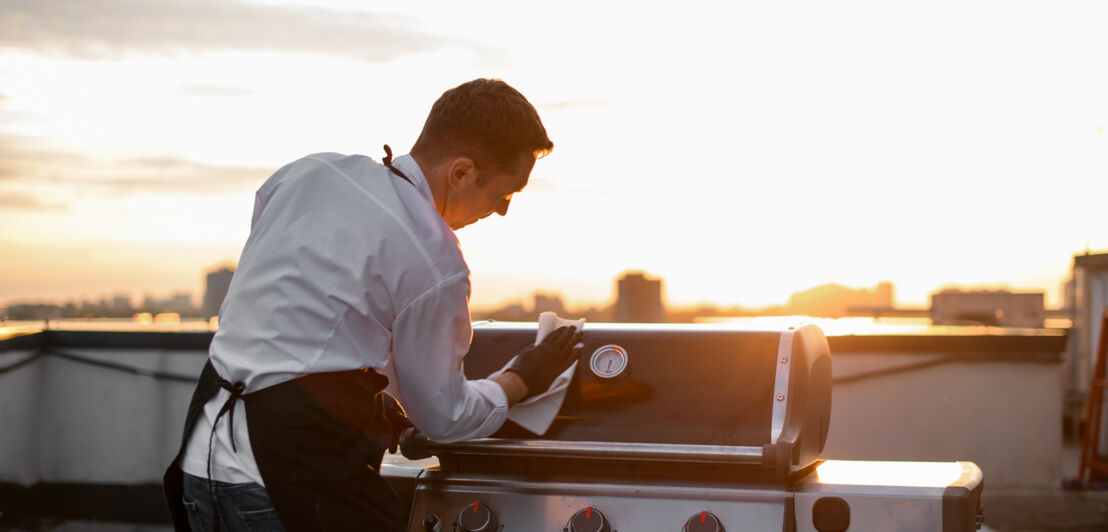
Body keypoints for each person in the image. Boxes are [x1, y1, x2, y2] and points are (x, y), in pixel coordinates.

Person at [163, 78, 584, 532]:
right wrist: (520, 379)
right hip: (282, 483)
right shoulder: (435, 259)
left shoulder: (310, 172)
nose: (501, 211)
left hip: (200, 462)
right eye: (505, 193)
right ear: (461, 173)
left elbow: (290, 315)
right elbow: (446, 417)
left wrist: (375, 409)